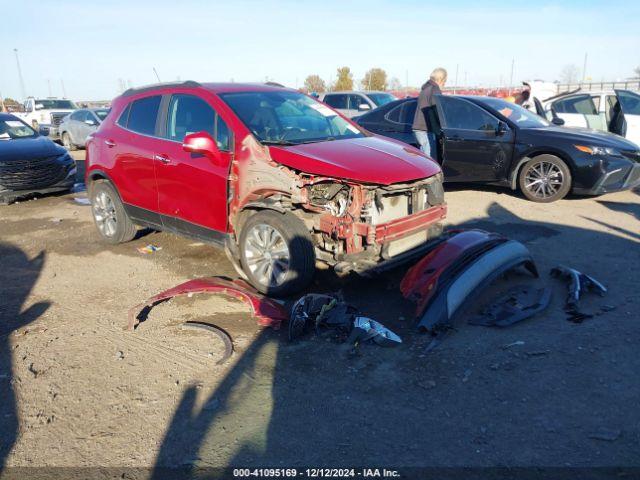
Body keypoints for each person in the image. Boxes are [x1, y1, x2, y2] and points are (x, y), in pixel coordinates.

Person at [412, 68, 447, 160]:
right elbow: (436, 109)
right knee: (427, 159)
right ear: (440, 79)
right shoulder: (435, 89)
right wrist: (443, 123)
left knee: (423, 157)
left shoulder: (426, 89)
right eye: (445, 81)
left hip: (418, 127)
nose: (445, 84)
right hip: (424, 128)